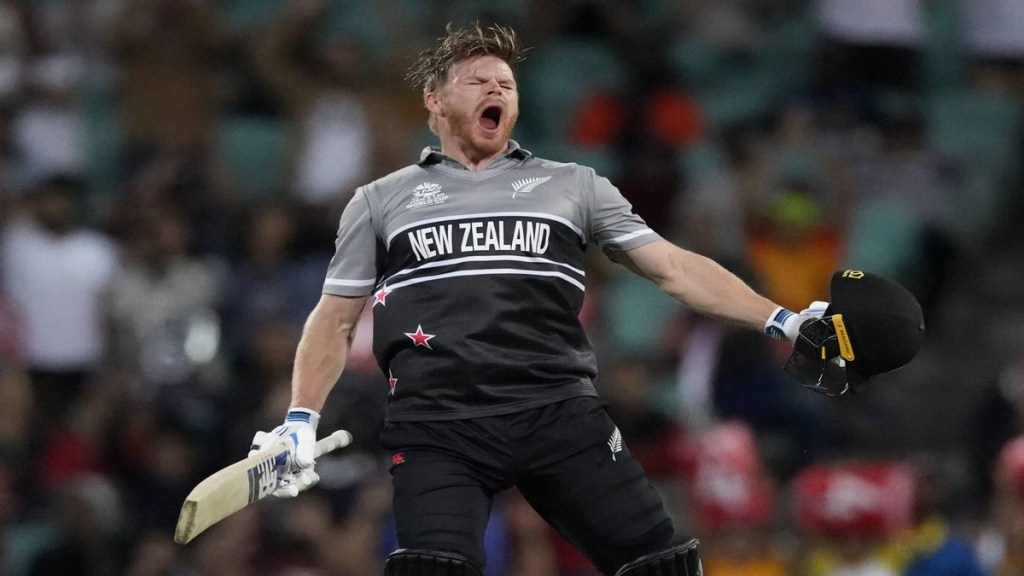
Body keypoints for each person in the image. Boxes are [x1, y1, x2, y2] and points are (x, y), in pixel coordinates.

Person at [248, 24, 915, 576]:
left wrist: (782, 319)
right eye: (478, 81)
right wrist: (300, 418)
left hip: (557, 413)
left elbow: (674, 268)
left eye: (506, 84)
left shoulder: (574, 185)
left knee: (664, 567)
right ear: (435, 101)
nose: (496, 91)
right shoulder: (379, 200)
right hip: (438, 425)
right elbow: (335, 318)